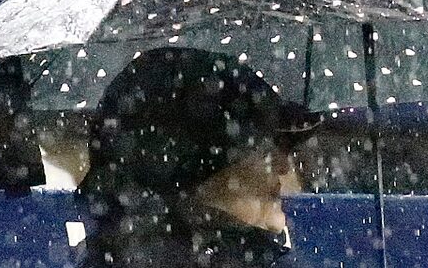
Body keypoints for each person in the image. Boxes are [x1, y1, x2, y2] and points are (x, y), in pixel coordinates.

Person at [77, 49, 308, 268]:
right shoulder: (252, 260)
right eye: (268, 148)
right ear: (200, 167)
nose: (284, 166)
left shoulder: (102, 255)